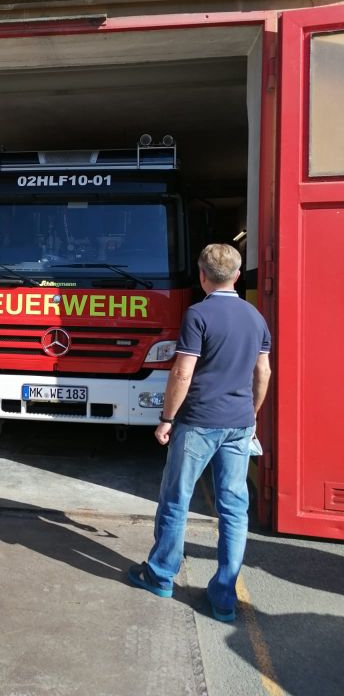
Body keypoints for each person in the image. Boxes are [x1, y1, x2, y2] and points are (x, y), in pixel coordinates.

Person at [128, 243, 271, 622]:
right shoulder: (256, 318)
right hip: (239, 425)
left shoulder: (198, 314)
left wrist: (167, 418)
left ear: (202, 276)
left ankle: (160, 575)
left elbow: (182, 371)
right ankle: (224, 597)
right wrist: (251, 414)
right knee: (234, 509)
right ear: (238, 276)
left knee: (176, 500)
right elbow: (264, 373)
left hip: (198, 422)